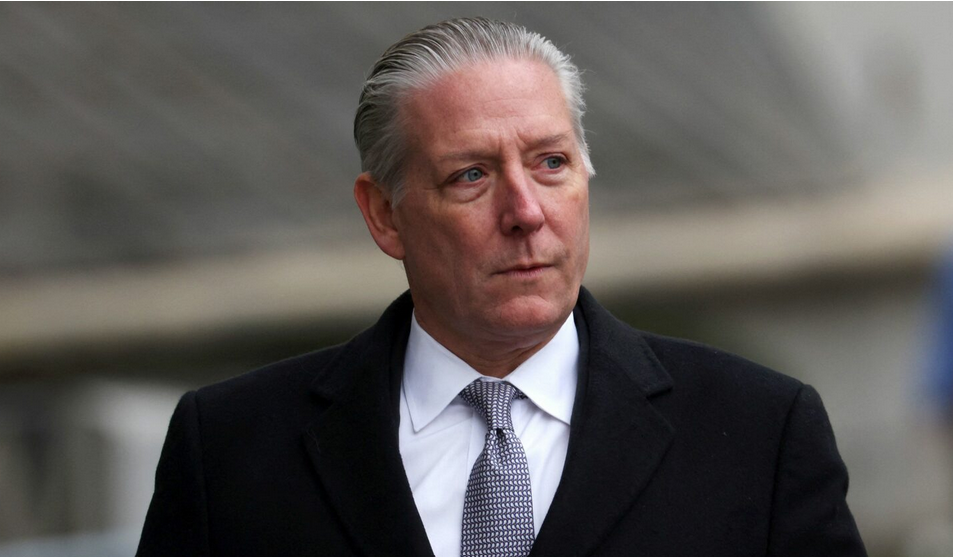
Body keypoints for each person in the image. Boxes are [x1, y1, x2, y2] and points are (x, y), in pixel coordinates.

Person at [137, 17, 867, 557]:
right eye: (471, 175)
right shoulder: (231, 449)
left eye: (550, 163)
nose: (525, 211)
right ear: (384, 214)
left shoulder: (759, 432)